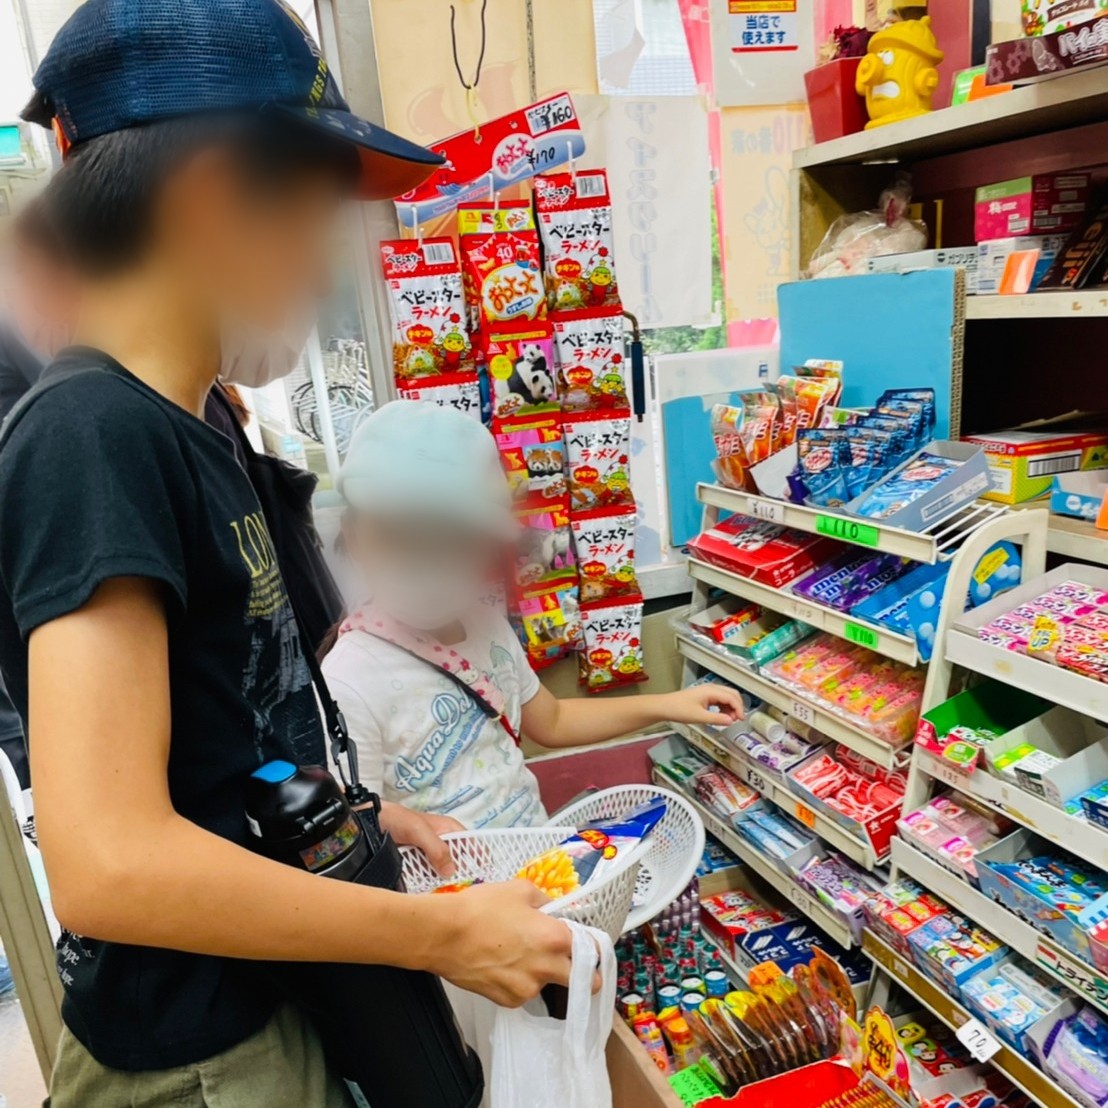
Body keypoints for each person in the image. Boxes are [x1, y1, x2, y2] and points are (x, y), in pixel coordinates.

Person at [0, 2, 577, 1105]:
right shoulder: (93, 436)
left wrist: (363, 819)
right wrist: (439, 936)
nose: (324, 266)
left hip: (280, 997)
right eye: (314, 216)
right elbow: (106, 863)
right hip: (203, 1059)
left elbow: (232, 741)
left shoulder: (198, 428)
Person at [322, 401, 746, 829]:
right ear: (354, 536)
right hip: (447, 874)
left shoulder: (485, 624)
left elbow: (552, 720)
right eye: (401, 537)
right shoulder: (349, 680)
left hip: (533, 857)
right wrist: (420, 830)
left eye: (456, 540)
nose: (430, 563)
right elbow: (354, 821)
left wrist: (669, 705)